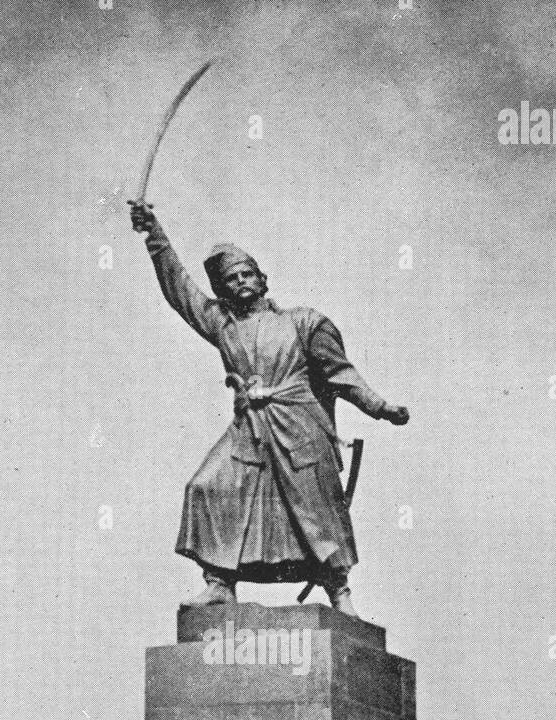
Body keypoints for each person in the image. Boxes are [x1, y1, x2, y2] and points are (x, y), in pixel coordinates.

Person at [131, 202, 408, 616]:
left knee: (314, 508)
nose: (241, 282)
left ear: (263, 280)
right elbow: (181, 290)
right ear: (224, 290)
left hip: (299, 426)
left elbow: (340, 373)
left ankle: (339, 593)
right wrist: (154, 234)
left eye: (248, 274)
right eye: (232, 279)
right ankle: (220, 583)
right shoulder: (223, 325)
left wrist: (380, 406)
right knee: (208, 487)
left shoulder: (304, 322)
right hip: (249, 428)